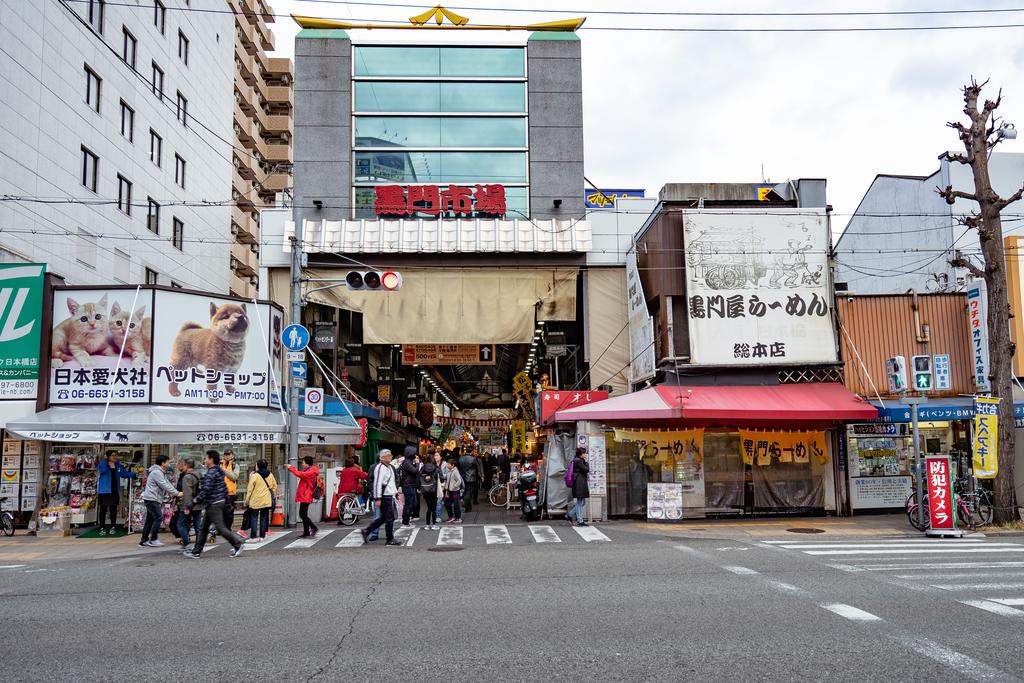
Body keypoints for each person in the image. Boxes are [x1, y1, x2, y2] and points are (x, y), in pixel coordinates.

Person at [186, 451, 246, 558]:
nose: (205, 460)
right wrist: (226, 501)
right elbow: (223, 487)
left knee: (220, 528)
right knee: (203, 528)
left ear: (211, 460)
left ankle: (238, 544)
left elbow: (206, 490)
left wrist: (195, 501)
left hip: (214, 503)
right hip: (215, 502)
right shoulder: (218, 471)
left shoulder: (212, 473)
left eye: (206, 458)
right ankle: (196, 551)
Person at [140, 455, 183, 547]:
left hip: (152, 498)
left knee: (150, 519)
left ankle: (144, 540)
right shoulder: (156, 472)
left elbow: (167, 483)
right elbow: (164, 485)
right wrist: (177, 493)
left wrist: (176, 492)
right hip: (152, 498)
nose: (168, 464)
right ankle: (153, 539)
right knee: (158, 517)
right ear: (163, 463)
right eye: (167, 462)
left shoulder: (160, 472)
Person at [360, 449, 401, 546]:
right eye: (389, 455)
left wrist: (395, 493)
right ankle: (390, 538)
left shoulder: (390, 467)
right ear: (382, 457)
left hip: (388, 495)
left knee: (384, 518)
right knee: (390, 518)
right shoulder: (380, 468)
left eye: (390, 455)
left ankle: (367, 531)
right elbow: (377, 483)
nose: (391, 457)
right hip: (384, 496)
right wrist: (377, 498)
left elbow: (391, 482)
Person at [96, 451, 135, 535]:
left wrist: (134, 474)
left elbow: (124, 474)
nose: (114, 457)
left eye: (115, 455)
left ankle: (113, 526)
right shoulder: (103, 464)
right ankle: (102, 527)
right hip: (104, 490)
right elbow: (102, 471)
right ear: (107, 456)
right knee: (103, 510)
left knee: (113, 509)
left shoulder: (118, 465)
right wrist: (105, 461)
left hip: (114, 490)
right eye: (112, 455)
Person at [287, 455, 321, 538]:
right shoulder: (311, 470)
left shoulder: (310, 472)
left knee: (302, 515)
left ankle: (313, 527)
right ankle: (306, 532)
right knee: (303, 514)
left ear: (307, 463)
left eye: (303, 462)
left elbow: (299, 474)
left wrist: (291, 467)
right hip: (305, 494)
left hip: (306, 495)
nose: (302, 464)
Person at [245, 459, 277, 542]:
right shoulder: (270, 474)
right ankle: (263, 536)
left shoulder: (254, 476)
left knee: (254, 518)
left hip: (255, 500)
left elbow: (249, 489)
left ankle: (253, 537)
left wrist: (247, 500)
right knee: (264, 518)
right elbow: (274, 486)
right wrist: (270, 491)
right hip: (266, 500)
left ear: (258, 466)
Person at [333, 456, 368, 525]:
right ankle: (355, 516)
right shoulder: (354, 470)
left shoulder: (343, 470)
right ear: (353, 463)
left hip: (341, 489)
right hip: (351, 489)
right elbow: (364, 475)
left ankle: (341, 518)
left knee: (342, 504)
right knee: (354, 500)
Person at [175, 458, 201, 549]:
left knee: (181, 524)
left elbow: (187, 493)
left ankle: (186, 543)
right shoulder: (198, 474)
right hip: (198, 503)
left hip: (188, 504)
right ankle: (199, 543)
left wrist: (187, 506)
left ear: (186, 465)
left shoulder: (187, 477)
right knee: (198, 525)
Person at [567, 447, 591, 527]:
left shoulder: (577, 460)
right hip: (579, 484)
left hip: (579, 483)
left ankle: (570, 514)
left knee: (582, 502)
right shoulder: (579, 461)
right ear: (581, 454)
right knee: (580, 502)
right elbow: (586, 469)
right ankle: (580, 521)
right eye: (584, 453)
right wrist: (586, 463)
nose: (585, 454)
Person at [400, 446, 421, 527]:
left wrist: (416, 463)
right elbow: (415, 471)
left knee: (413, 503)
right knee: (409, 504)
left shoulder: (409, 461)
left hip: (411, 485)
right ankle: (405, 522)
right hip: (408, 485)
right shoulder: (407, 462)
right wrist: (417, 463)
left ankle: (407, 520)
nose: (415, 455)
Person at [419, 452, 440, 530]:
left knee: (428, 507)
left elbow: (419, 476)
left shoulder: (423, 467)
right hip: (434, 489)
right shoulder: (436, 467)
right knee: (434, 508)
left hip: (425, 489)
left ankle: (427, 525)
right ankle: (434, 524)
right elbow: (441, 478)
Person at [221, 448, 240, 531]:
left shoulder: (235, 466)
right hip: (220, 493)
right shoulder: (220, 464)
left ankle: (227, 528)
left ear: (232, 456)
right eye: (226, 454)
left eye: (229, 454)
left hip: (230, 493)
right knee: (221, 512)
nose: (227, 456)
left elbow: (234, 477)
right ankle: (221, 528)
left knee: (229, 512)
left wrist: (224, 470)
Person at [442, 457, 464, 524]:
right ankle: (451, 517)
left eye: (448, 464)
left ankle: (458, 518)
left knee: (456, 504)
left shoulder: (455, 472)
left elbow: (459, 481)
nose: (447, 465)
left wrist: (454, 487)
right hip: (449, 491)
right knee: (447, 503)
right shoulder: (449, 471)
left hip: (455, 491)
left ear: (452, 465)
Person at [458, 448, 478, 512]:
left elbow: (459, 467)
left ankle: (469, 507)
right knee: (469, 492)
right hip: (471, 478)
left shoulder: (461, 458)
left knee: (465, 491)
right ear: (471, 451)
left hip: (462, 477)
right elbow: (476, 467)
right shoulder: (473, 459)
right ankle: (466, 506)